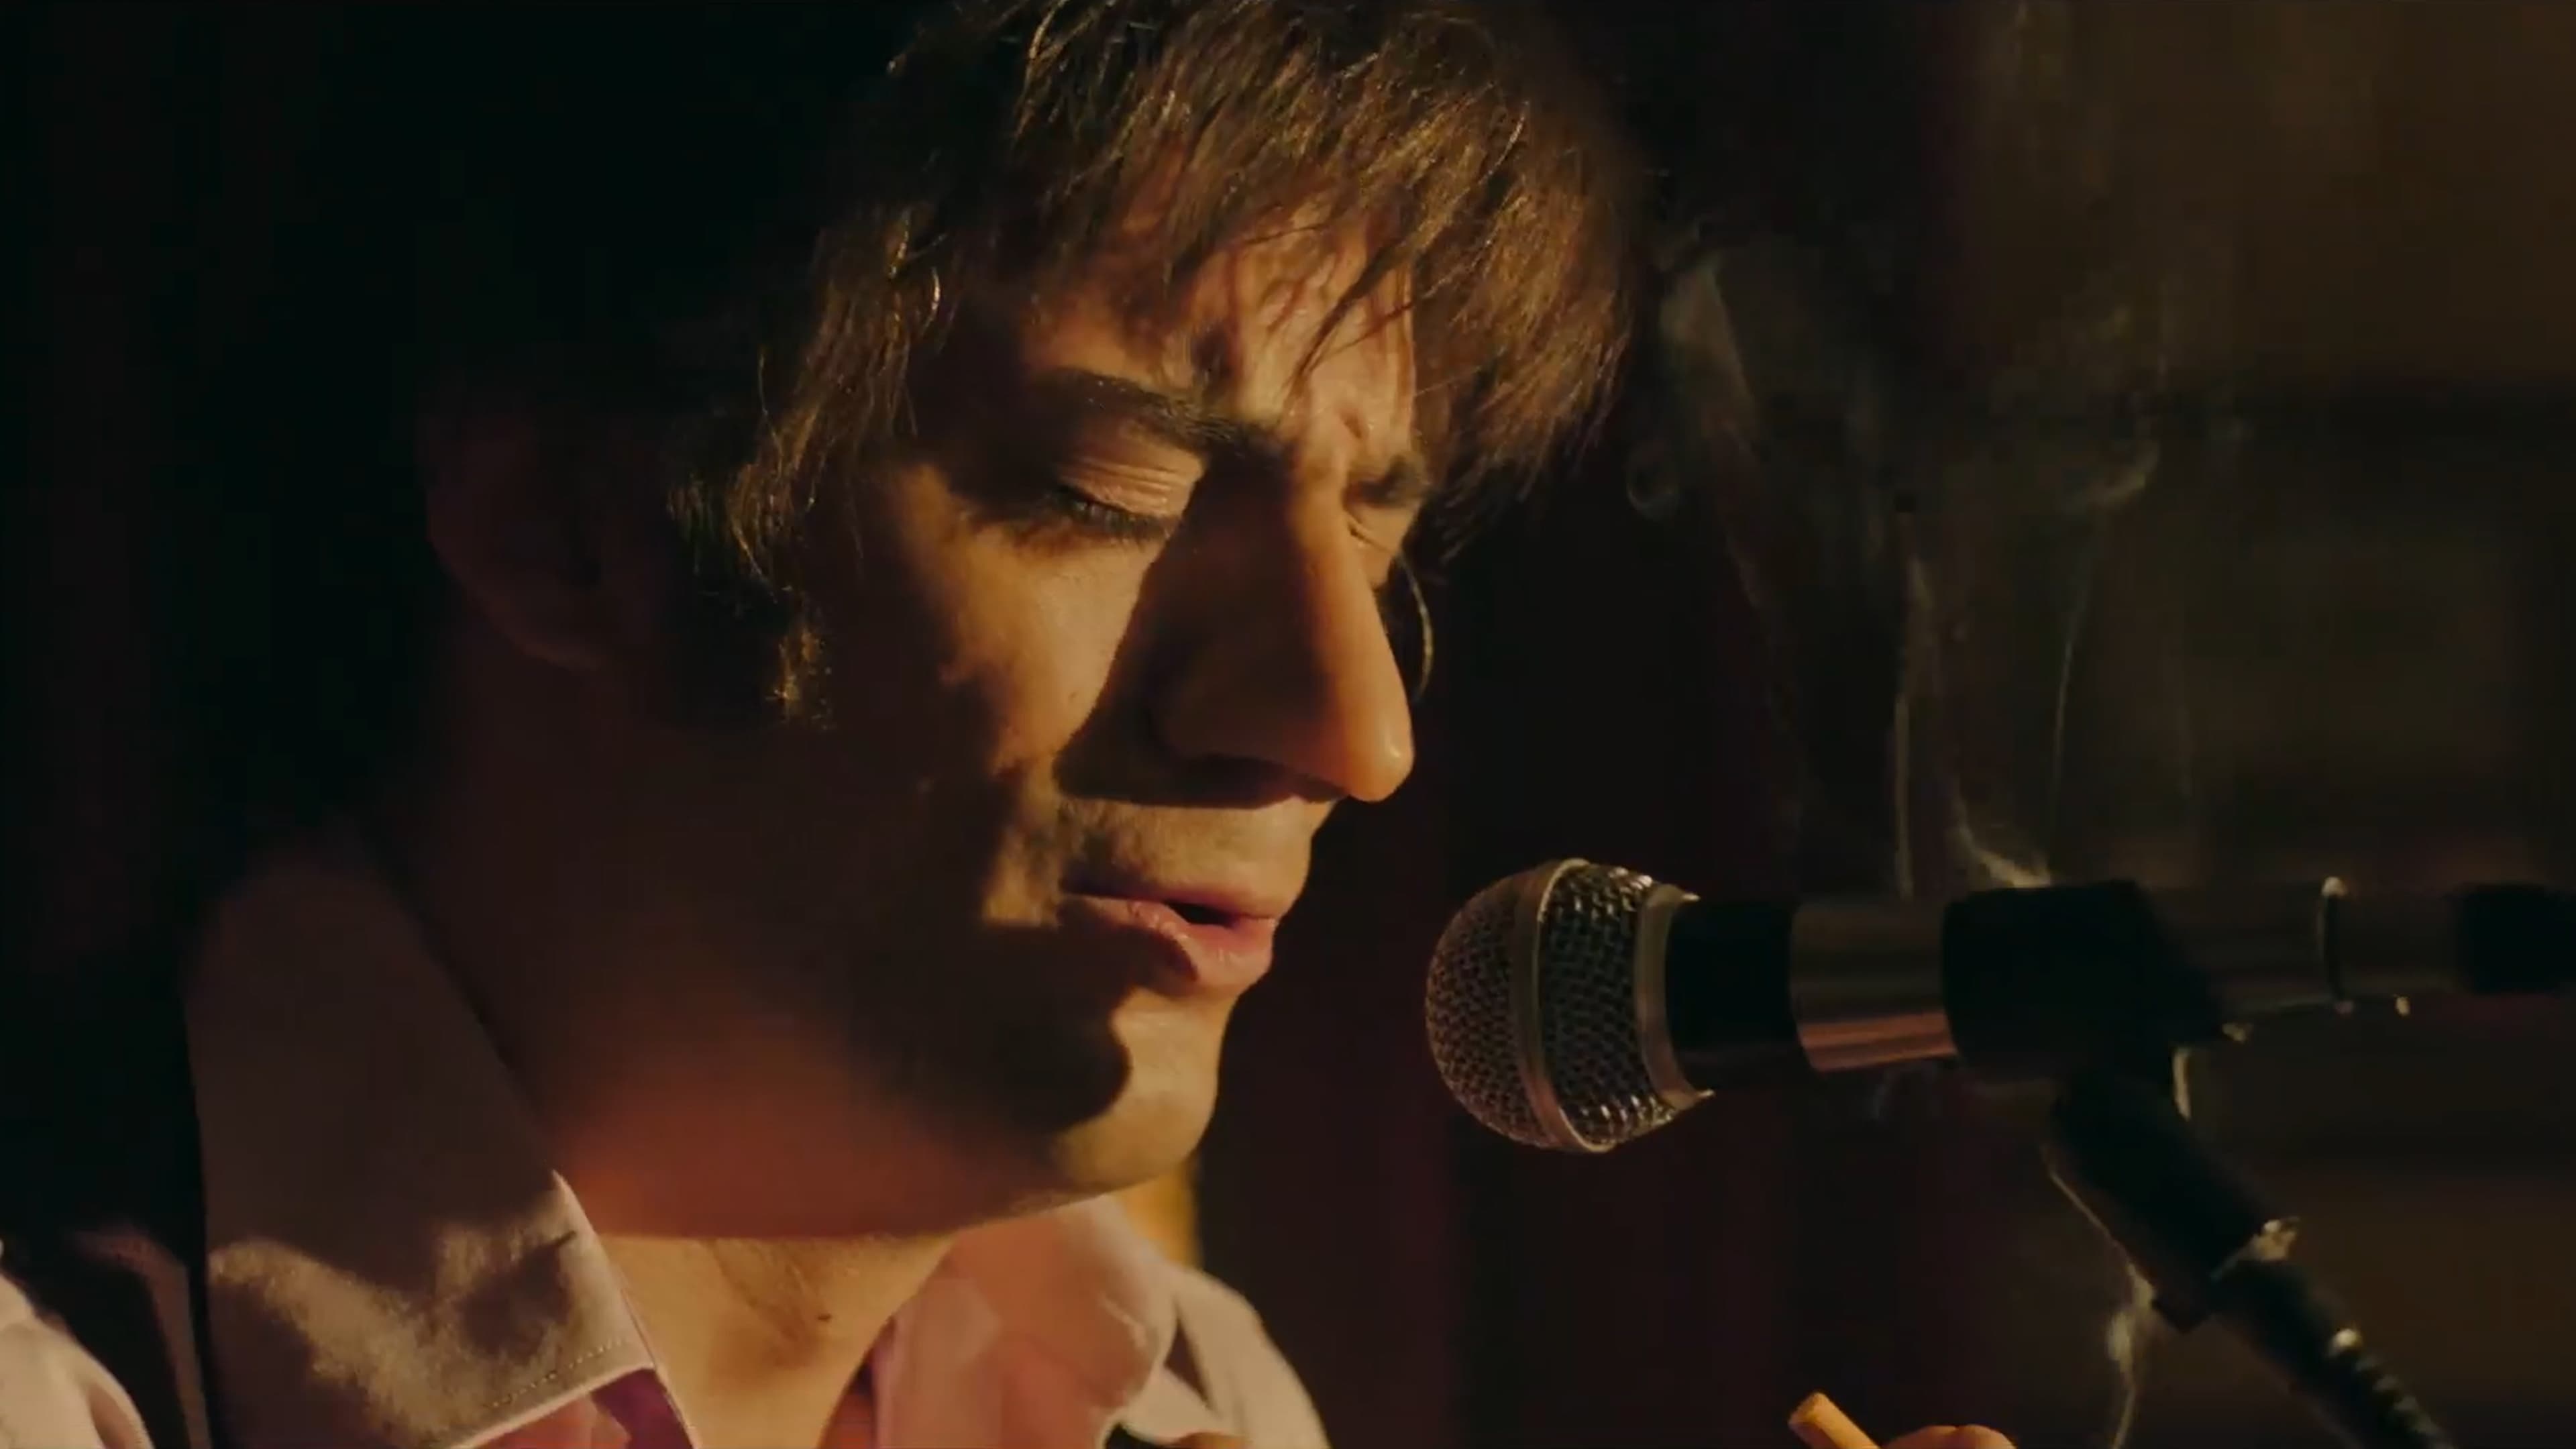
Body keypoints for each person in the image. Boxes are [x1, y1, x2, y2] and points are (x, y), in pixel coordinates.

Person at [0, 3, 2011, 1446]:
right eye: (1110, 494)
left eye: (1381, 532)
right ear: (565, 530)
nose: (1354, 730)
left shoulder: (1192, 1395)